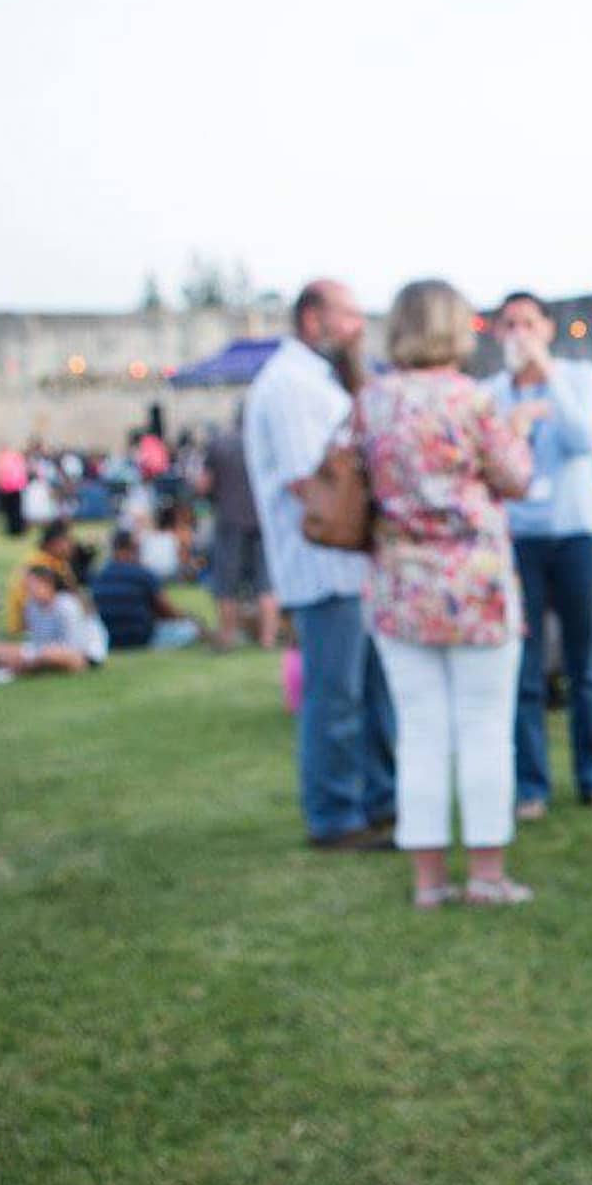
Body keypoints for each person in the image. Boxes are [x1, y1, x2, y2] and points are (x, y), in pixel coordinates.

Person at [360, 280, 535, 908]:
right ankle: (486, 875)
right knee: (485, 728)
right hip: (474, 584)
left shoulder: (372, 402)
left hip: (400, 586)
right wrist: (515, 427)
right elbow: (516, 476)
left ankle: (429, 882)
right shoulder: (472, 401)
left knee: (420, 733)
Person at [244, 279, 398, 852]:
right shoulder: (288, 384)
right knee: (334, 700)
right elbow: (309, 481)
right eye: (349, 316)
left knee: (370, 696)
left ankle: (381, 801)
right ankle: (335, 817)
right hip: (321, 568)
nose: (359, 327)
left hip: (351, 569)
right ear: (313, 320)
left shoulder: (321, 379)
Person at [485, 290, 592, 821]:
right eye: (509, 324)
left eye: (528, 323)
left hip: (577, 534)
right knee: (521, 667)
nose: (519, 333)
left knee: (586, 662)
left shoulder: (581, 376)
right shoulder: (491, 392)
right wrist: (516, 421)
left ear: (546, 328)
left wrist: (549, 376)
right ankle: (531, 788)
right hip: (518, 539)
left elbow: (585, 436)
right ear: (498, 334)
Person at [201, 415, 280, 650]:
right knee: (266, 584)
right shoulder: (267, 445)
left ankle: (228, 636)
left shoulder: (219, 444)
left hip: (229, 519)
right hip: (262, 520)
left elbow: (204, 484)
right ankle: (268, 639)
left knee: (226, 582)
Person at [0, 563, 106, 678]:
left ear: (47, 583)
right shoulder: (31, 605)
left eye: (32, 584)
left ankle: (25, 667)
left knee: (48, 655)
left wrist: (37, 656)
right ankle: (25, 666)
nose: (27, 589)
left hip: (80, 654)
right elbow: (37, 642)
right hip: (42, 651)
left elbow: (74, 646)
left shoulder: (67, 605)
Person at [89, 529, 204, 651]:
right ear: (133, 548)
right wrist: (188, 618)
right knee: (191, 629)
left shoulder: (97, 575)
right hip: (141, 637)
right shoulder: (143, 574)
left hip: (109, 638)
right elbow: (168, 611)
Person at [3, 522, 80, 636]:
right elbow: (29, 601)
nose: (71, 546)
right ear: (52, 544)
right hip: (31, 626)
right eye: (66, 542)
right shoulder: (37, 565)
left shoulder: (58, 563)